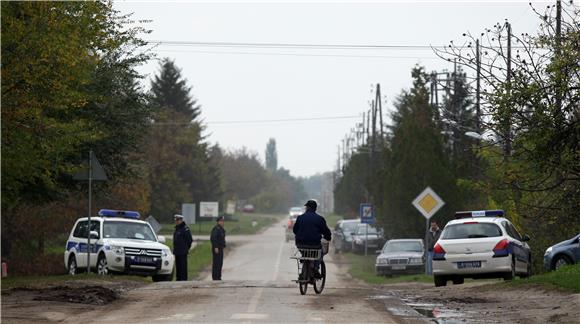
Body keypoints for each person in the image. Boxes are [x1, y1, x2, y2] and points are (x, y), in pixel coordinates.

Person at [293, 200, 332, 278]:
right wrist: (328, 237)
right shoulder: (320, 219)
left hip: (300, 245)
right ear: (315, 208)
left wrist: (300, 236)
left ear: (307, 208)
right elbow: (326, 232)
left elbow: (295, 230)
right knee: (319, 253)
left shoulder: (300, 218)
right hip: (315, 245)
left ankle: (304, 267)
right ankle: (315, 269)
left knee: (305, 253)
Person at [173, 214, 193, 281]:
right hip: (177, 251)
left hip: (183, 251)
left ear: (181, 220)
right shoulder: (177, 228)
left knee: (183, 266)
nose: (177, 221)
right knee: (178, 266)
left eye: (178, 220)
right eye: (176, 220)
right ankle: (178, 279)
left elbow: (190, 240)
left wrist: (186, 248)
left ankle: (183, 279)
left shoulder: (185, 229)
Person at [210, 216, 226, 280]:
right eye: (221, 221)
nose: (222, 222)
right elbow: (213, 238)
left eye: (223, 221)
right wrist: (215, 247)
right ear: (218, 221)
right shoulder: (216, 229)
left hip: (220, 248)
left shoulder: (221, 229)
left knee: (220, 263)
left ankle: (218, 276)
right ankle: (215, 277)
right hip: (217, 248)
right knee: (216, 263)